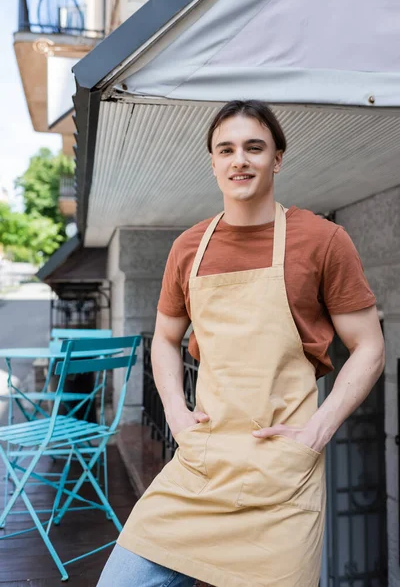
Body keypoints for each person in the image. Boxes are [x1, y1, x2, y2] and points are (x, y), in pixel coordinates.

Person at [97, 100, 385, 587]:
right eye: (226, 149)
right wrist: (174, 412)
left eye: (255, 147)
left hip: (281, 476)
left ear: (277, 158)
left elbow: (370, 346)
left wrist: (318, 430)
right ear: (212, 162)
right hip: (201, 468)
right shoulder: (189, 247)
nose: (240, 160)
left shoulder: (322, 240)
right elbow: (166, 339)